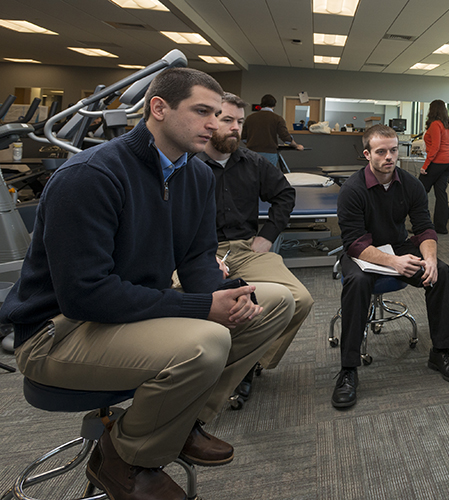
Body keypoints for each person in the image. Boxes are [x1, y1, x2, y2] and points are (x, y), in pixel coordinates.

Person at [0, 67, 296, 500]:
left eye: (218, 113)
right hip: (59, 331)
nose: (215, 124)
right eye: (201, 112)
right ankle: (126, 457)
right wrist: (202, 308)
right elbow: (86, 295)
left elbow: (196, 257)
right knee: (207, 342)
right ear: (158, 108)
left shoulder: (194, 175)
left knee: (276, 301)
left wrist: (229, 292)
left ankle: (181, 422)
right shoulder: (91, 176)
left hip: (131, 313)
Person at [333, 124, 449, 409]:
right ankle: (348, 370)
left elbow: (425, 229)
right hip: (363, 252)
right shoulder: (352, 189)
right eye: (381, 152)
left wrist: (429, 259)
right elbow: (354, 243)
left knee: (440, 272)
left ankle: (440, 351)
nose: (389, 157)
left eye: (393, 150)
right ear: (367, 154)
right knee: (357, 283)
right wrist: (393, 262)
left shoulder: (411, 184)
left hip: (398, 245)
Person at [196, 92, 316, 405]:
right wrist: (199, 255)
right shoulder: (188, 164)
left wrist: (268, 235)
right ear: (210, 122)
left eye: (239, 122)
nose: (235, 128)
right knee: (211, 306)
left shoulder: (253, 162)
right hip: (198, 251)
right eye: (227, 121)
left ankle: (249, 363)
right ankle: (209, 370)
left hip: (246, 248)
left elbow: (284, 195)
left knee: (300, 299)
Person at [418, 99, 449, 234]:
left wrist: (425, 166)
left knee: (419, 192)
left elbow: (435, 147)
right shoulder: (447, 125)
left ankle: (422, 226)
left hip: (437, 162)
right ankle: (441, 227)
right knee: (441, 194)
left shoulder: (435, 125)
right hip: (448, 162)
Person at [240, 94, 303, 167]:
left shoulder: (250, 118)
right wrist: (296, 146)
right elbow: (285, 137)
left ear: (261, 104)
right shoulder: (277, 118)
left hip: (251, 152)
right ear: (274, 105)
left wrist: (252, 144)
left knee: (251, 175)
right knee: (267, 176)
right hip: (269, 153)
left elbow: (243, 137)